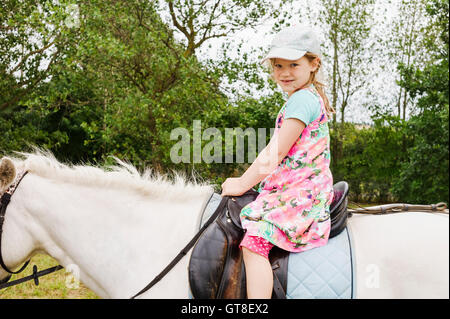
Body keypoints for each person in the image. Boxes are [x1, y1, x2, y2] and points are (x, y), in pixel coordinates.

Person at [221, 25, 335, 299]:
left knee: (254, 243)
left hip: (301, 192)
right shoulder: (303, 98)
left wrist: (241, 183)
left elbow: (276, 152)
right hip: (295, 184)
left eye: (293, 64)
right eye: (278, 65)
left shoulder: (302, 102)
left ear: (313, 64)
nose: (284, 73)